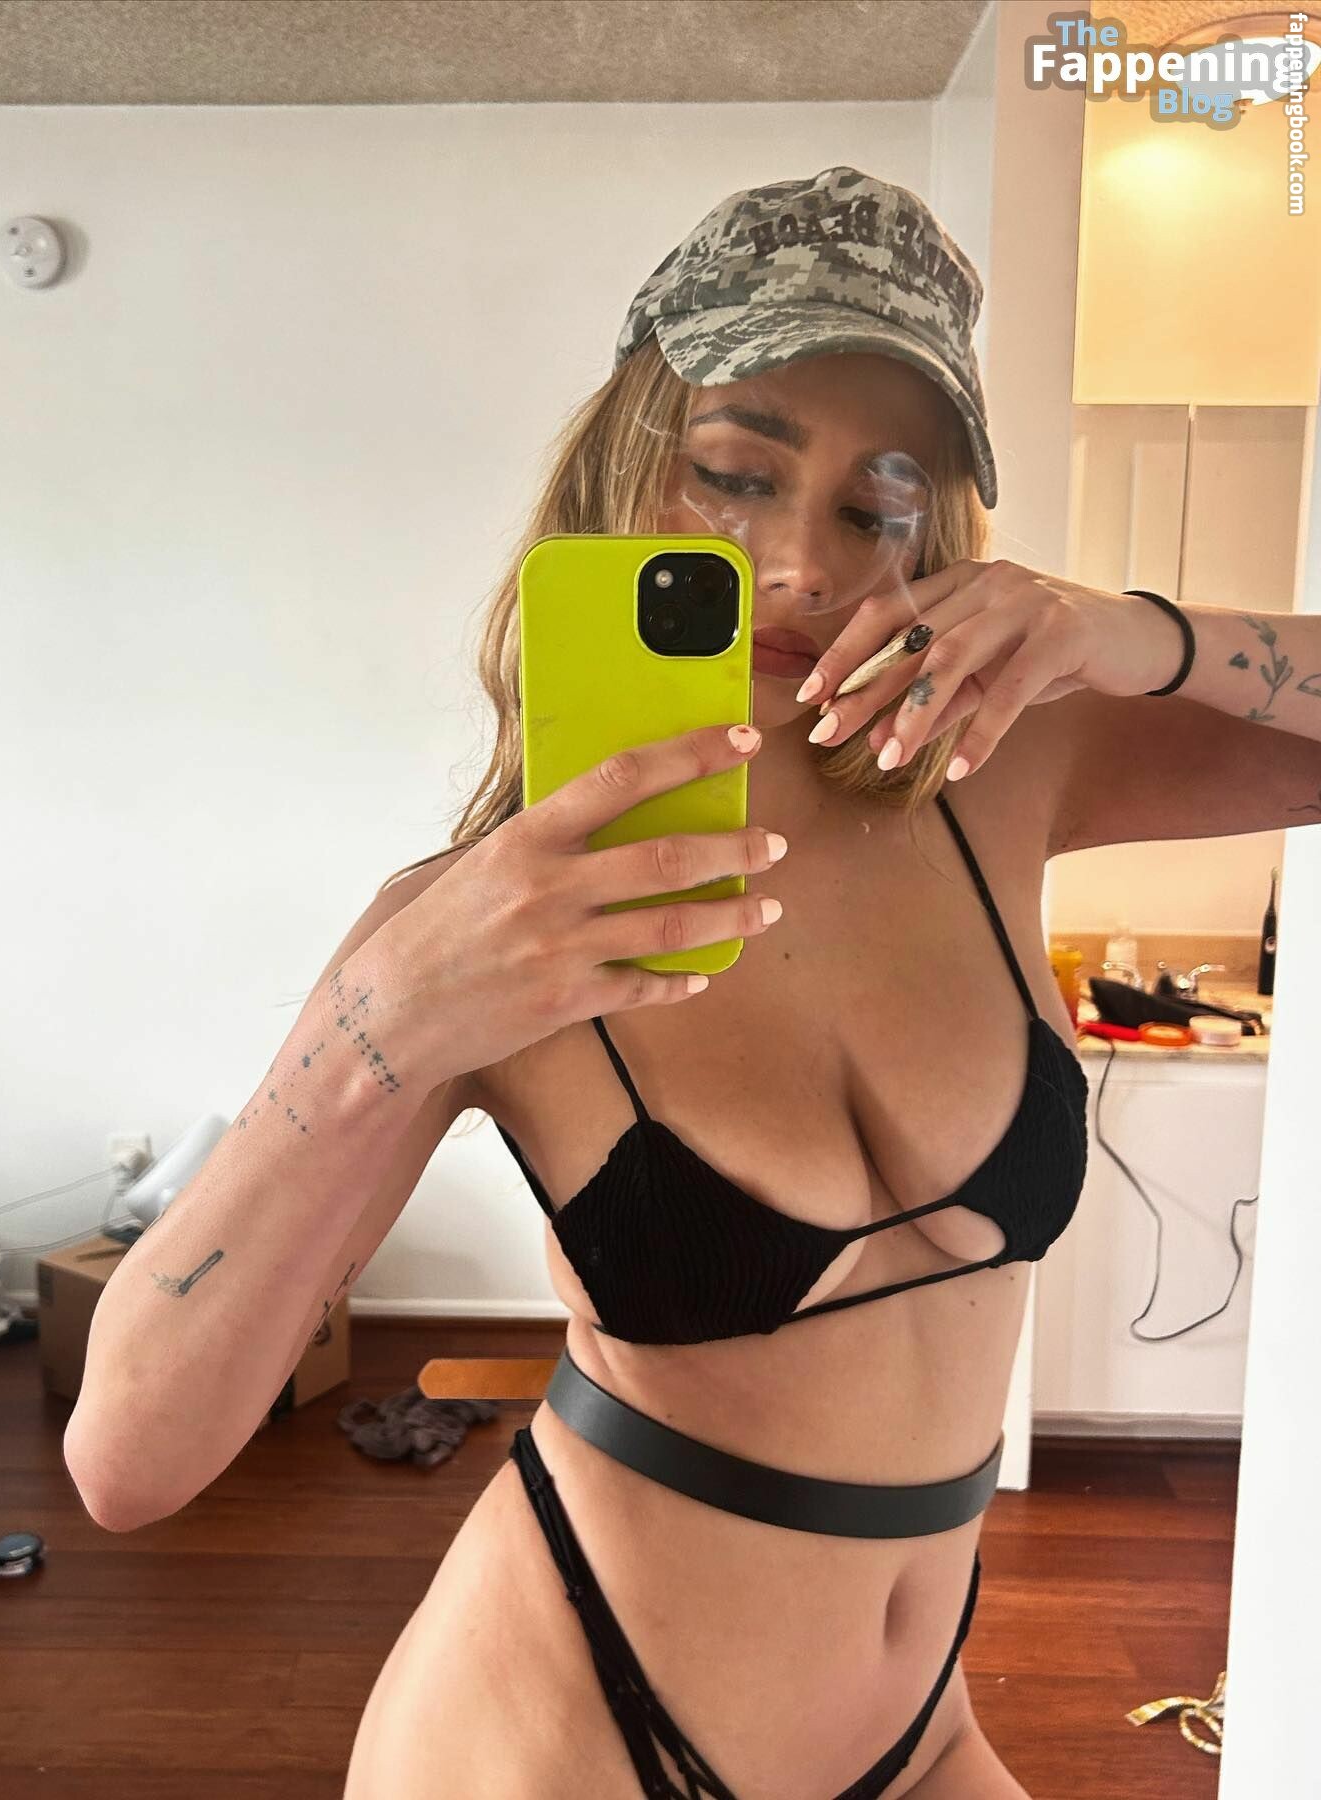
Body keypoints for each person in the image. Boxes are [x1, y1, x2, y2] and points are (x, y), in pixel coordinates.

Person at [332, 165, 1258, 1798]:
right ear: (629, 468)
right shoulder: (481, 925)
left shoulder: (1008, 776)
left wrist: (1132, 632)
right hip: (567, 1733)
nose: (804, 565)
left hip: (923, 1737)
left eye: (873, 508)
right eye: (737, 476)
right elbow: (126, 1458)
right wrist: (371, 1026)